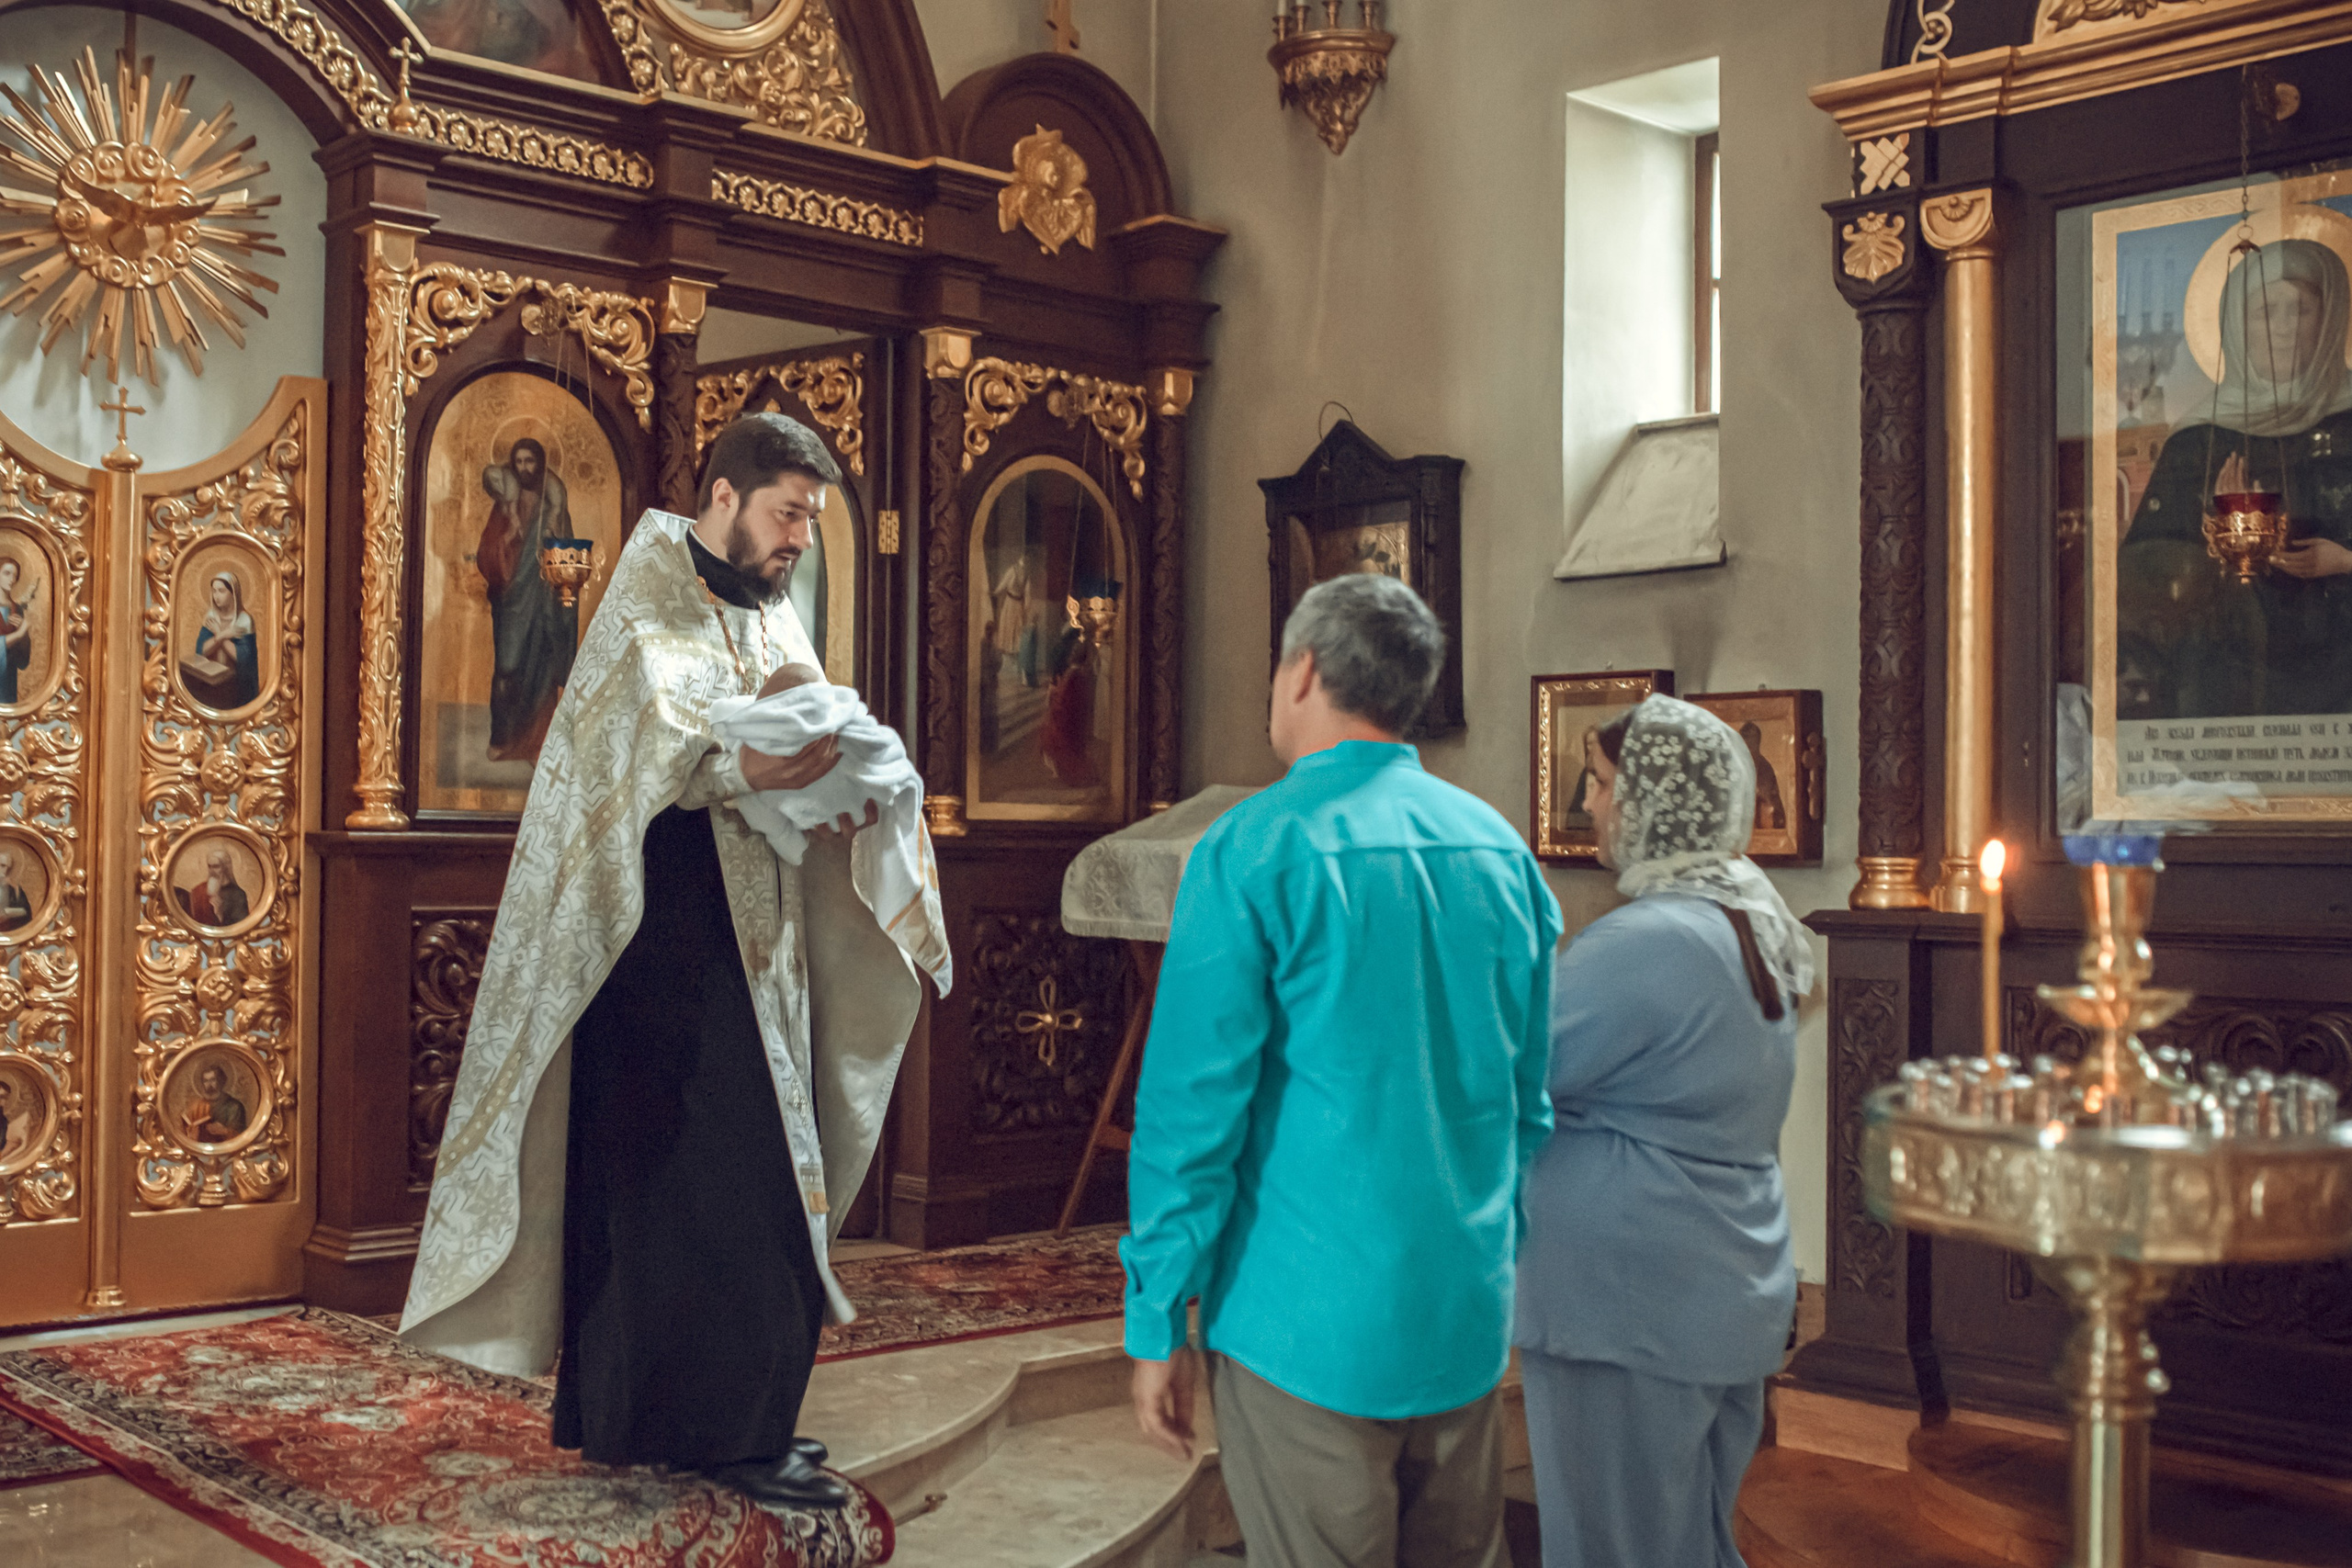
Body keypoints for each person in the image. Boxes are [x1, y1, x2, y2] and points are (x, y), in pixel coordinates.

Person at [402, 412, 950, 1512]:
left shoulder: (769, 610)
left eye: (810, 519)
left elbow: (786, 744)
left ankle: (725, 1424)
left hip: (761, 956)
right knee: (698, 1194)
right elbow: (632, 762)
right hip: (657, 958)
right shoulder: (644, 606)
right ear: (723, 497)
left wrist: (841, 790)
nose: (799, 538)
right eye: (787, 514)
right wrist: (739, 767)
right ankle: (712, 1434)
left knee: (753, 1194)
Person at [1124, 573, 1560, 1568]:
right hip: (1460, 1311)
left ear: (1303, 671)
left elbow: (1192, 1118)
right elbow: (1527, 1108)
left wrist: (1156, 1317)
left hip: (1303, 1322)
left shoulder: (1254, 848)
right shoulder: (1501, 851)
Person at [1515, 694, 1808, 1568]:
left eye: (1603, 782)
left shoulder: (1648, 940)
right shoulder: (1747, 920)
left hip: (1628, 1304)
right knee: (1688, 1545)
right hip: (1717, 1284)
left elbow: (1507, 1069)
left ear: (1654, 801)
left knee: (1612, 1548)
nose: (1591, 802)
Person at [2120, 237, 2352, 717]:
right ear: (2237, 327)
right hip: (2233, 677)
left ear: (2330, 320)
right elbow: (2149, 578)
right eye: (2267, 312)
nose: (2284, 328)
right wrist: (2223, 535)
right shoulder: (2198, 440)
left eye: (2302, 310)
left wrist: (2345, 561)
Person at [477, 437, 579, 762]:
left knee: (542, 671)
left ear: (540, 463)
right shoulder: (505, 505)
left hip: (544, 603)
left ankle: (538, 746)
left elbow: (569, 560)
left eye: (530, 461)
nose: (524, 468)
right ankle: (502, 738)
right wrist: (508, 538)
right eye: (519, 462)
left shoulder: (554, 507)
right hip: (511, 604)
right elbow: (487, 553)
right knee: (507, 668)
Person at [186, 570, 260, 710]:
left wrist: (218, 633)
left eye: (221, 591)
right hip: (211, 681)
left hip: (236, 685)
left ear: (233, 593)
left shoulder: (244, 620)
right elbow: (201, 650)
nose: (216, 596)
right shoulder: (211, 616)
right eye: (214, 591)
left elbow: (242, 658)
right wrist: (223, 634)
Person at [175, 846, 251, 928]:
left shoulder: (238, 894)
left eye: (216, 866)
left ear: (225, 868)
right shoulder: (199, 890)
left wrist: (219, 913)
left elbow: (241, 927)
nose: (211, 871)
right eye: (209, 866)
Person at [179, 1062, 250, 1145]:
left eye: (213, 1080)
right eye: (206, 1081)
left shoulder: (235, 1106)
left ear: (220, 1081)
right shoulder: (197, 1106)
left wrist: (225, 1131)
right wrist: (191, 1137)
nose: (209, 1084)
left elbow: (244, 1137)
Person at [0, 556, 38, 707]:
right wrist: (19, 634)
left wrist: (24, 637)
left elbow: (23, 662)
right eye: (7, 573)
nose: (12, 579)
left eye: (15, 576)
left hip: (8, 683)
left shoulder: (18, 610)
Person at [0, 847, 31, 933]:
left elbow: (25, 912)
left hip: (8, 929)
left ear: (8, 868)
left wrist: (7, 912)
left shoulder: (14, 888)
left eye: (3, 866)